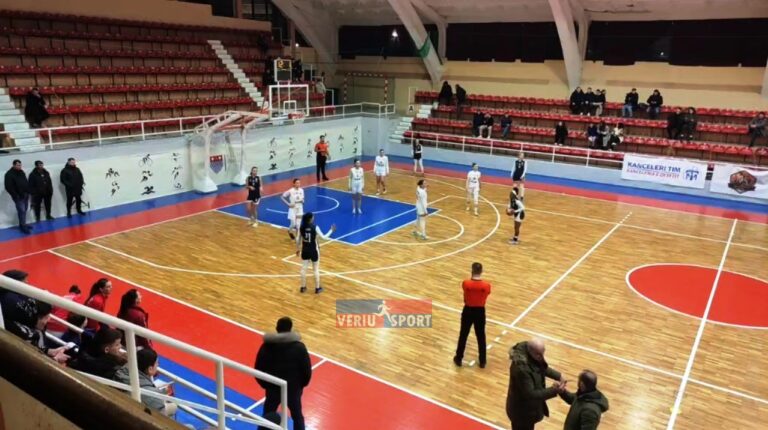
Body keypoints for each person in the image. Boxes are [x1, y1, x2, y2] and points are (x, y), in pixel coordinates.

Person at [255, 317, 312, 430]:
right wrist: (300, 386)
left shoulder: (267, 346)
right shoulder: (300, 348)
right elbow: (307, 371)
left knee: (267, 417)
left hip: (273, 389)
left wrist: (267, 385)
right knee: (297, 417)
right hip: (293, 390)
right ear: (290, 329)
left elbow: (258, 369)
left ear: (277, 328)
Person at [506, 339, 566, 430]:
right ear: (531, 351)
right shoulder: (521, 370)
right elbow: (531, 394)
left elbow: (541, 368)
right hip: (521, 413)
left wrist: (558, 376)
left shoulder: (533, 354)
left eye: (543, 353)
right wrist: (554, 390)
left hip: (529, 410)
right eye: (539, 355)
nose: (542, 357)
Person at [115, 348, 178, 417]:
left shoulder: (120, 372)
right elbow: (161, 418)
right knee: (174, 407)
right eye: (157, 363)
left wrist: (160, 392)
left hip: (120, 409)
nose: (158, 365)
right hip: (135, 418)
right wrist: (162, 397)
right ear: (150, 369)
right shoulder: (152, 396)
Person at [453, 262, 490, 368]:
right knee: (481, 336)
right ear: (481, 271)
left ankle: (459, 358)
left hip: (468, 310)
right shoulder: (486, 285)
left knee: (463, 335)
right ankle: (482, 361)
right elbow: (487, 294)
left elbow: (465, 294)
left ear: (472, 270)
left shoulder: (466, 283)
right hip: (480, 311)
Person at [296, 212, 336, 294]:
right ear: (310, 218)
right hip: (314, 250)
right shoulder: (315, 227)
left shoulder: (301, 227)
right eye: (313, 217)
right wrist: (331, 230)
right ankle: (317, 288)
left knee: (303, 269)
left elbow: (298, 239)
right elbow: (324, 237)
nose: (314, 218)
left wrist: (298, 249)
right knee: (316, 269)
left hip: (305, 250)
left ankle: (303, 287)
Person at [4, 159, 33, 233]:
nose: (19, 166)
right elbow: (8, 187)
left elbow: (25, 182)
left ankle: (23, 224)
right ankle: (23, 226)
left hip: (25, 194)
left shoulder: (21, 172)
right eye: (18, 165)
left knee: (25, 210)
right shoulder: (9, 174)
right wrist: (16, 195)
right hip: (18, 196)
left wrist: (29, 192)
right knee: (22, 211)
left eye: (20, 165)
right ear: (13, 165)